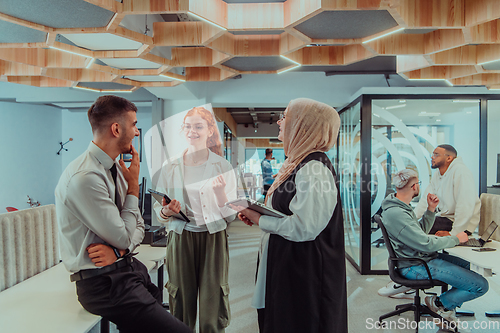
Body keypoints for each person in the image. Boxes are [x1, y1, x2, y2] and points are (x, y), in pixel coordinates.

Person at [55, 95, 190, 333]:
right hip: (102, 284)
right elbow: (125, 235)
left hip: (126, 268)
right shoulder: (85, 177)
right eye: (135, 125)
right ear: (116, 129)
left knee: (155, 297)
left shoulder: (115, 167)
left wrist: (119, 251)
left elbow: (137, 225)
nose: (137, 132)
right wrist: (134, 188)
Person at [232, 98, 347, 333]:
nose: (279, 121)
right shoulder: (298, 162)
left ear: (303, 126)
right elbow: (287, 212)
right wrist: (259, 214)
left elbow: (304, 228)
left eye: (285, 116)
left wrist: (259, 219)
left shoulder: (314, 169)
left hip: (306, 272)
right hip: (290, 263)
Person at [153, 106, 237, 333]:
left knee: (213, 303)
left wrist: (221, 196)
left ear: (210, 130)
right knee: (180, 303)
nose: (192, 131)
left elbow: (231, 217)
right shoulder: (170, 167)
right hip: (181, 238)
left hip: (213, 240)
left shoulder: (223, 166)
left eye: (199, 126)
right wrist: (168, 212)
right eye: (188, 126)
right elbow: (158, 211)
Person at [381, 169, 488, 325]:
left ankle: (447, 307)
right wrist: (456, 239)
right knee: (481, 285)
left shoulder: (400, 206)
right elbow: (425, 244)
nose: (419, 187)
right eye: (418, 184)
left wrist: (430, 209)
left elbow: (419, 233)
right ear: (413, 187)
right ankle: (439, 303)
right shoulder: (397, 213)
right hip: (415, 265)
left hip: (417, 258)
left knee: (466, 265)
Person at [414, 144, 481, 236]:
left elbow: (465, 206)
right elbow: (425, 200)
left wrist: (454, 234)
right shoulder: (438, 174)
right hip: (445, 218)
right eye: (432, 154)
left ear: (449, 158)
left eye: (436, 155)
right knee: (416, 226)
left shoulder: (461, 172)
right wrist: (411, 218)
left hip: (461, 225)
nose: (432, 157)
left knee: (421, 229)